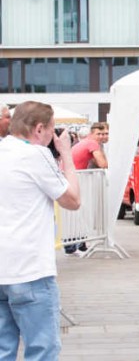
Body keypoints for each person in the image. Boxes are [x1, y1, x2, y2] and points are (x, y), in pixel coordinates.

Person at [0, 101, 81, 360]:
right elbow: (72, 200)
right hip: (30, 267)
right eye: (51, 130)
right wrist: (66, 154)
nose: (51, 136)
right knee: (41, 349)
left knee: (4, 349)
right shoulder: (35, 155)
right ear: (38, 129)